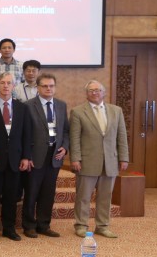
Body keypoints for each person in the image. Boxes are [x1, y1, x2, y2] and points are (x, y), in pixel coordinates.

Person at [70, 81, 129, 238]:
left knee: (105, 196)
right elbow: (74, 138)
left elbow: (122, 136)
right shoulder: (77, 112)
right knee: (83, 197)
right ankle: (81, 225)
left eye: (98, 90)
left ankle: (102, 226)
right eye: (91, 90)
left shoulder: (116, 111)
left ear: (104, 92)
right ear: (86, 93)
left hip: (110, 161)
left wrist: (124, 158)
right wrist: (75, 158)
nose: (95, 93)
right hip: (87, 161)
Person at [0, 72, 32, 241]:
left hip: (15, 160)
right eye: (2, 83)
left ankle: (9, 229)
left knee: (11, 197)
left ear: (13, 86)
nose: (5, 86)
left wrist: (26, 157)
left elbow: (27, 135)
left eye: (9, 83)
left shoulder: (22, 108)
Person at [23, 73, 69, 238]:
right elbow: (24, 133)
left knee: (48, 193)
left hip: (55, 156)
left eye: (51, 86)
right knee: (31, 192)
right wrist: (27, 156)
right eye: (44, 86)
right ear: (38, 87)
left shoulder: (61, 105)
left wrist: (65, 147)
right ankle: (29, 225)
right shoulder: (28, 105)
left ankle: (44, 225)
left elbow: (65, 130)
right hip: (35, 156)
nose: (48, 89)